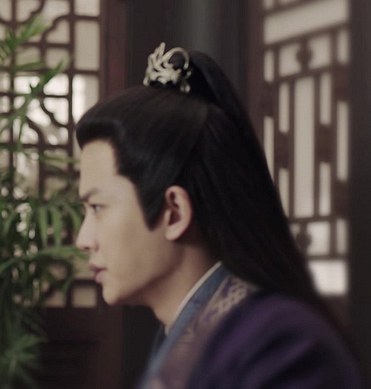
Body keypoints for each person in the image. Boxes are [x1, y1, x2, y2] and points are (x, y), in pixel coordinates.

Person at [74, 43, 364, 388]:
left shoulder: (281, 345)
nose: (83, 240)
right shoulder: (184, 333)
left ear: (174, 213)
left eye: (97, 208)